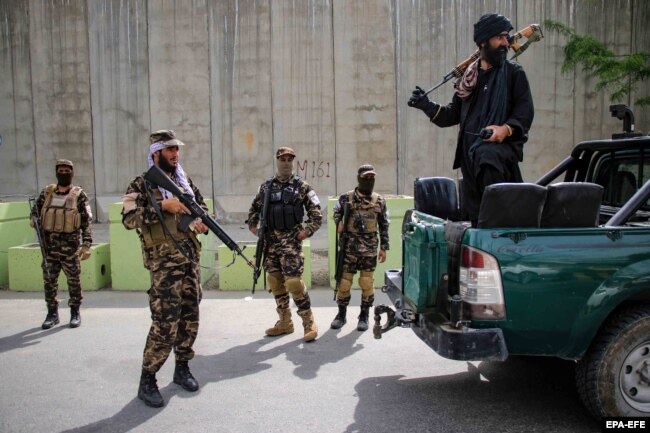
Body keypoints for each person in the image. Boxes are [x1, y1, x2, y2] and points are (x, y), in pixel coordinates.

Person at [408, 13, 534, 225]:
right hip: (469, 158)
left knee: (497, 216)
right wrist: (426, 105)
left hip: (497, 159)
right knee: (475, 220)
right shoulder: (469, 79)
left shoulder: (513, 73)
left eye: (507, 37)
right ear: (483, 42)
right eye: (500, 38)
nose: (505, 43)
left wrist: (505, 129)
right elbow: (451, 115)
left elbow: (525, 112)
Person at [122, 130, 209, 408]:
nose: (175, 155)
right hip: (163, 267)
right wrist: (164, 205)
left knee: (190, 317)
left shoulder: (183, 181)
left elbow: (201, 206)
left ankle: (182, 367)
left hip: (189, 262)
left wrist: (202, 220)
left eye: (177, 150)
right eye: (169, 150)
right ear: (156, 153)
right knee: (164, 324)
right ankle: (148, 379)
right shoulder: (142, 184)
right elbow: (129, 218)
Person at [247, 147, 322, 342]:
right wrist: (253, 227)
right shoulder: (266, 187)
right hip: (270, 242)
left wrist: (306, 232)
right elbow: (253, 210)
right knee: (274, 281)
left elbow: (317, 214)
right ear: (277, 161)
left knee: (294, 282)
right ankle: (285, 322)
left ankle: (308, 322)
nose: (286, 162)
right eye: (283, 159)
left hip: (290, 241)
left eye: (290, 159)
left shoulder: (302, 186)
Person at [32, 159, 93, 330]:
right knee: (49, 282)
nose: (64, 173)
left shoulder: (79, 195)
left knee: (74, 282)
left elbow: (87, 221)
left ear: (72, 173)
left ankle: (75, 312)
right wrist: (34, 219)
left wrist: (86, 244)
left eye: (67, 170)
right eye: (61, 170)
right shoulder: (47, 193)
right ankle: (52, 313)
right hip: (49, 249)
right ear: (56, 172)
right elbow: (35, 214)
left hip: (70, 249)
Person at [331, 164, 389, 331]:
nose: (369, 180)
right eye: (365, 177)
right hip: (349, 248)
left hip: (369, 250)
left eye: (371, 177)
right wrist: (339, 222)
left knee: (366, 282)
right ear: (359, 178)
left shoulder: (379, 200)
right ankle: (341, 315)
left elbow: (384, 225)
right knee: (343, 283)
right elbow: (336, 212)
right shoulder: (345, 198)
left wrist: (384, 247)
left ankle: (364, 316)